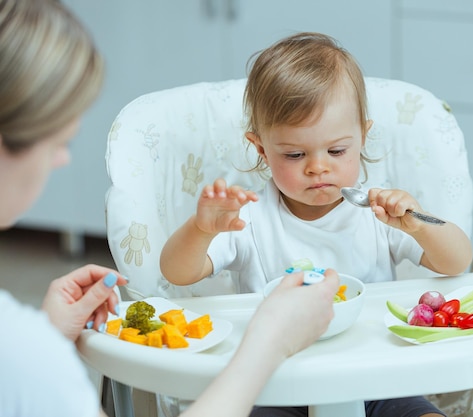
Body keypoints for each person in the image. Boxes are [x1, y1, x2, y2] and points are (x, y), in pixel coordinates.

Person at [0, 2, 339, 417]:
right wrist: (268, 345)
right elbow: (178, 269)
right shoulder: (23, 357)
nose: (62, 161)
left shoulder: (22, 349)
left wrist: (46, 336)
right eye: (57, 143)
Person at [161, 32, 473, 417]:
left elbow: (457, 262)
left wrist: (420, 225)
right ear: (260, 148)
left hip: (376, 379)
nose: (318, 167)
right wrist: (201, 229)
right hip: (275, 384)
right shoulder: (250, 219)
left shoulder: (379, 214)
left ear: (363, 136)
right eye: (294, 154)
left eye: (337, 150)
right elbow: (177, 273)